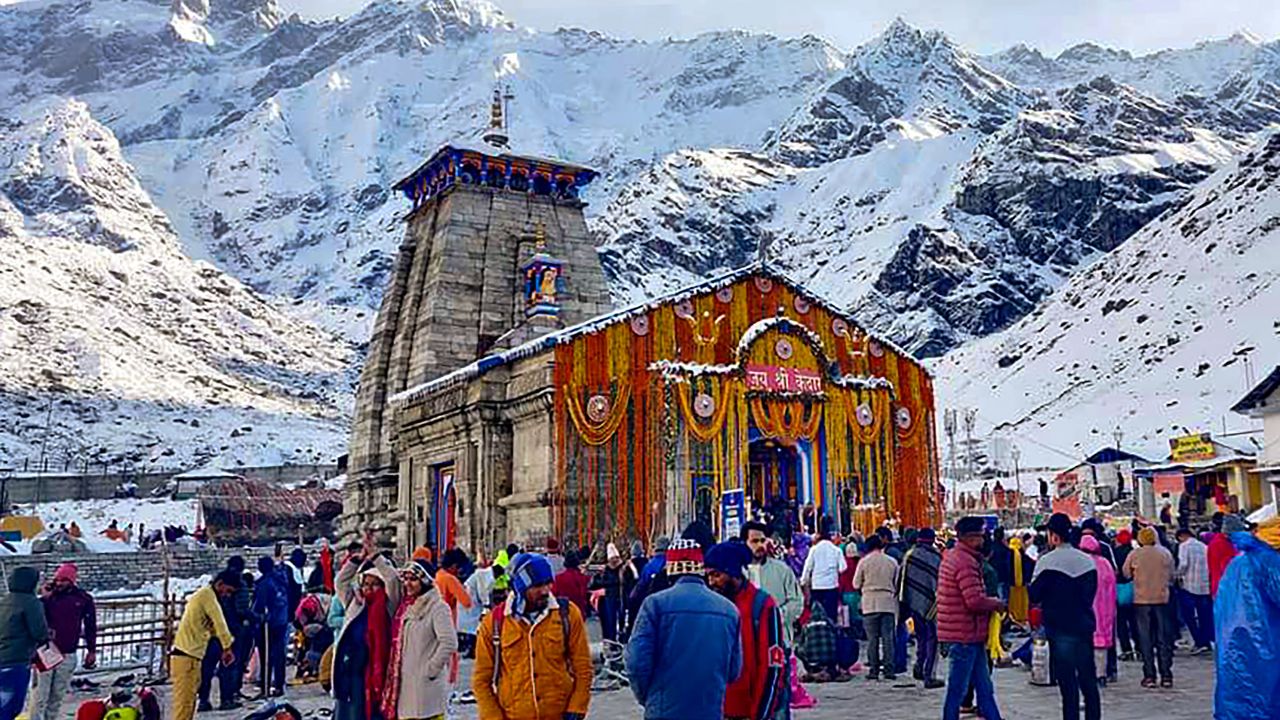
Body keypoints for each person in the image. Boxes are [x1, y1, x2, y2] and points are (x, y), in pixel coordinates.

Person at [626, 539, 741, 719]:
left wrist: (648, 697)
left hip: (664, 710)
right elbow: (734, 671)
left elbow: (636, 662)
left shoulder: (655, 605)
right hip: (709, 710)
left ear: (670, 570)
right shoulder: (729, 610)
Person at [474, 553, 592, 720]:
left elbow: (583, 668)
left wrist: (577, 707)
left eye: (548, 583)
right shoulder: (494, 623)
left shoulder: (567, 614)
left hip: (559, 714)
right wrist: (493, 717)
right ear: (520, 587)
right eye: (537, 585)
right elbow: (481, 681)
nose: (545, 590)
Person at [1029, 513, 1100, 720]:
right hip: (1083, 624)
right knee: (1089, 680)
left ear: (1053, 535)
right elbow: (1090, 593)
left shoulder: (1046, 562)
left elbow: (1034, 595)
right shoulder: (1087, 561)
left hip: (1059, 627)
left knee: (1068, 684)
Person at [705, 542, 786, 720]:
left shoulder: (762, 605)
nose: (711, 582)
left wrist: (761, 713)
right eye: (708, 575)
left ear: (733, 573)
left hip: (749, 710)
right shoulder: (711, 605)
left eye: (716, 575)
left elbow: (771, 667)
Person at [938, 517, 1005, 720]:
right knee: (957, 690)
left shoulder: (953, 556)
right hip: (964, 634)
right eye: (980, 536)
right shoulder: (965, 563)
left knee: (984, 688)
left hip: (968, 634)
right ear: (970, 537)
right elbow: (974, 601)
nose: (983, 540)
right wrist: (996, 603)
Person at [1213, 528, 1280, 720]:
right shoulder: (1269, 561)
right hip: (1263, 638)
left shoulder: (1239, 561)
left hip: (1233, 638)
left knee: (1237, 690)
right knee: (1264, 695)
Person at [333, 534, 401, 720]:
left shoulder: (389, 605)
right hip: (352, 670)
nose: (369, 589)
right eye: (366, 584)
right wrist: (356, 561)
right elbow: (340, 582)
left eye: (375, 585)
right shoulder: (355, 603)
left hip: (377, 671)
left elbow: (393, 580)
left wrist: (376, 557)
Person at [381, 559, 456, 720]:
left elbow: (449, 642)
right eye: (406, 579)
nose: (408, 584)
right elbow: (391, 579)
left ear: (425, 581)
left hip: (426, 691)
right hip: (405, 688)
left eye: (413, 579)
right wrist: (375, 557)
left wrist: (430, 670)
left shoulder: (437, 607)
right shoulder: (405, 606)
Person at [29, 564, 96, 720]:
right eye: (57, 580)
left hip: (68, 652)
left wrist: (91, 650)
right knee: (39, 695)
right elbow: (35, 617)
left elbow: (90, 625)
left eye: (63, 580)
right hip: (46, 652)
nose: (59, 583)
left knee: (57, 696)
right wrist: (45, 598)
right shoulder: (48, 598)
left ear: (72, 581)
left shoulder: (83, 599)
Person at [171, 572, 238, 720]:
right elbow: (219, 623)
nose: (227, 595)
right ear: (220, 583)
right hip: (186, 657)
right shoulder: (207, 596)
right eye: (227, 590)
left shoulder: (205, 596)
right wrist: (227, 647)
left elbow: (213, 627)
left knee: (189, 704)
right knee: (183, 706)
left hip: (191, 657)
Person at [1123, 526, 1174, 688]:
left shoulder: (1135, 554)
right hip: (1162, 598)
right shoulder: (1164, 553)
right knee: (1163, 637)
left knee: (1145, 638)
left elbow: (1126, 573)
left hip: (1141, 599)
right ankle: (1166, 675)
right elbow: (1172, 574)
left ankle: (1149, 675)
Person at [896, 527, 943, 688]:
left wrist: (904, 601)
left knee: (921, 636)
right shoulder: (937, 556)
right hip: (933, 603)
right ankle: (929, 674)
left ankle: (919, 665)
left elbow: (902, 580)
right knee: (932, 638)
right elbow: (940, 579)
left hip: (914, 602)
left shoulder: (910, 555)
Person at [199, 557, 247, 711]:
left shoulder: (212, 588)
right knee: (228, 666)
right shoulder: (238, 585)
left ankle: (203, 700)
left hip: (212, 633)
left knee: (207, 667)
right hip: (231, 631)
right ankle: (226, 699)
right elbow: (241, 610)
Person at [0, 567, 48, 720]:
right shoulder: (30, 603)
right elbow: (39, 632)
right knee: (10, 706)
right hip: (16, 659)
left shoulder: (5, 600)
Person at [853, 534, 898, 681]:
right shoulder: (891, 562)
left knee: (872, 639)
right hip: (888, 602)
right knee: (888, 638)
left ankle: (874, 670)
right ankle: (889, 669)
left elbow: (856, 584)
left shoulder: (864, 562)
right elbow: (897, 583)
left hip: (870, 603)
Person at [1080, 536, 1116, 688]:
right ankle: (1101, 674)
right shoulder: (1105, 563)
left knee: (1084, 643)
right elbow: (1112, 586)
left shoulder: (1081, 563)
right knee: (1101, 644)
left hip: (1085, 608)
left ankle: (1086, 673)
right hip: (1104, 608)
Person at [252, 556, 290, 697]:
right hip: (282, 620)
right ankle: (279, 685)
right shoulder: (281, 580)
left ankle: (265, 687)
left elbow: (259, 605)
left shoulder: (265, 583)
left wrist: (254, 617)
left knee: (266, 656)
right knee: (279, 654)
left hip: (269, 623)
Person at [1175, 527, 1213, 654]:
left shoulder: (1184, 546)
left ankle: (1198, 641)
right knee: (1204, 616)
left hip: (1189, 585)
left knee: (1189, 616)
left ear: (1181, 536)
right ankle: (1206, 641)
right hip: (1204, 585)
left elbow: (1183, 564)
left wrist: (1177, 575)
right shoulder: (1204, 547)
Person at [800, 530, 846, 624]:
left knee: (817, 613)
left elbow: (808, 567)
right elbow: (843, 568)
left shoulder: (814, 549)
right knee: (831, 615)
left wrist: (803, 581)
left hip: (817, 586)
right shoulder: (836, 550)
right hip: (832, 586)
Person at [590, 543, 627, 642]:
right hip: (614, 599)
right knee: (613, 621)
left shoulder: (609, 571)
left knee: (611, 622)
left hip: (612, 599)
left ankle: (612, 639)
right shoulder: (621, 570)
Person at [1113, 529, 1138, 661]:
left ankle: (1126, 650)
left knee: (1121, 622)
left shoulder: (1114, 553)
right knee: (1135, 621)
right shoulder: (1134, 553)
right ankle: (1139, 648)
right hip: (1134, 589)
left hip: (1119, 589)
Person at [1207, 514, 1243, 598]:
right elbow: (1228, 567)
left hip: (1220, 586)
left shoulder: (1217, 541)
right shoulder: (1222, 544)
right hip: (1226, 589)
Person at [553, 551, 592, 617]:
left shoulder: (558, 578)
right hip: (580, 612)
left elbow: (553, 595)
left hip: (564, 612)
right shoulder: (583, 578)